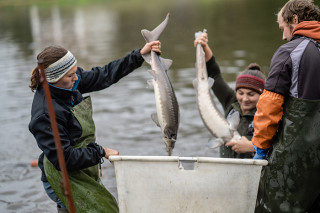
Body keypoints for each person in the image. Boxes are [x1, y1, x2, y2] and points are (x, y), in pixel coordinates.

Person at [28, 41, 161, 213]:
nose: (76, 78)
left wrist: (138, 56)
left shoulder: (69, 82)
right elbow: (65, 159)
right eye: (70, 76)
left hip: (81, 167)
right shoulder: (45, 115)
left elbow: (104, 75)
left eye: (76, 72)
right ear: (53, 79)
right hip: (60, 175)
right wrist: (100, 151)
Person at [251, 0, 320, 212]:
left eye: (283, 28)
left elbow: (269, 106)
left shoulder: (289, 51)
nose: (283, 36)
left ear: (295, 20)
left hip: (296, 157)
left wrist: (260, 147)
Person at [194, 32, 266, 159]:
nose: (244, 99)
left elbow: (278, 147)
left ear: (262, 94)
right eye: (240, 93)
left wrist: (251, 147)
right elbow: (214, 74)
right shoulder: (231, 101)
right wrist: (204, 46)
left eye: (251, 94)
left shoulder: (266, 113)